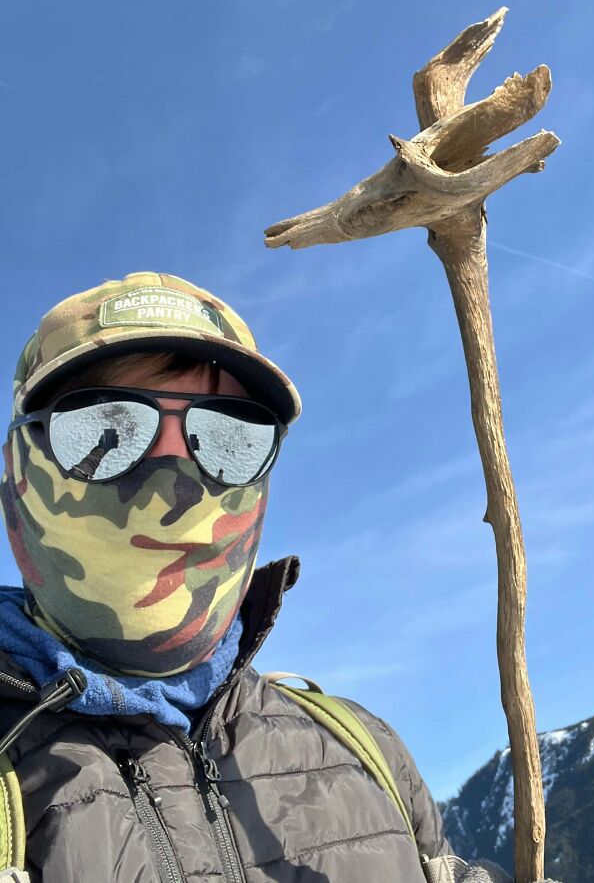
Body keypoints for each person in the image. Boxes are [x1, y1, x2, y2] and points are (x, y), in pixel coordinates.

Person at [0, 272, 512, 882]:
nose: (178, 474)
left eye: (229, 436)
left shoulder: (363, 752)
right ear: (20, 467)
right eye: (105, 430)